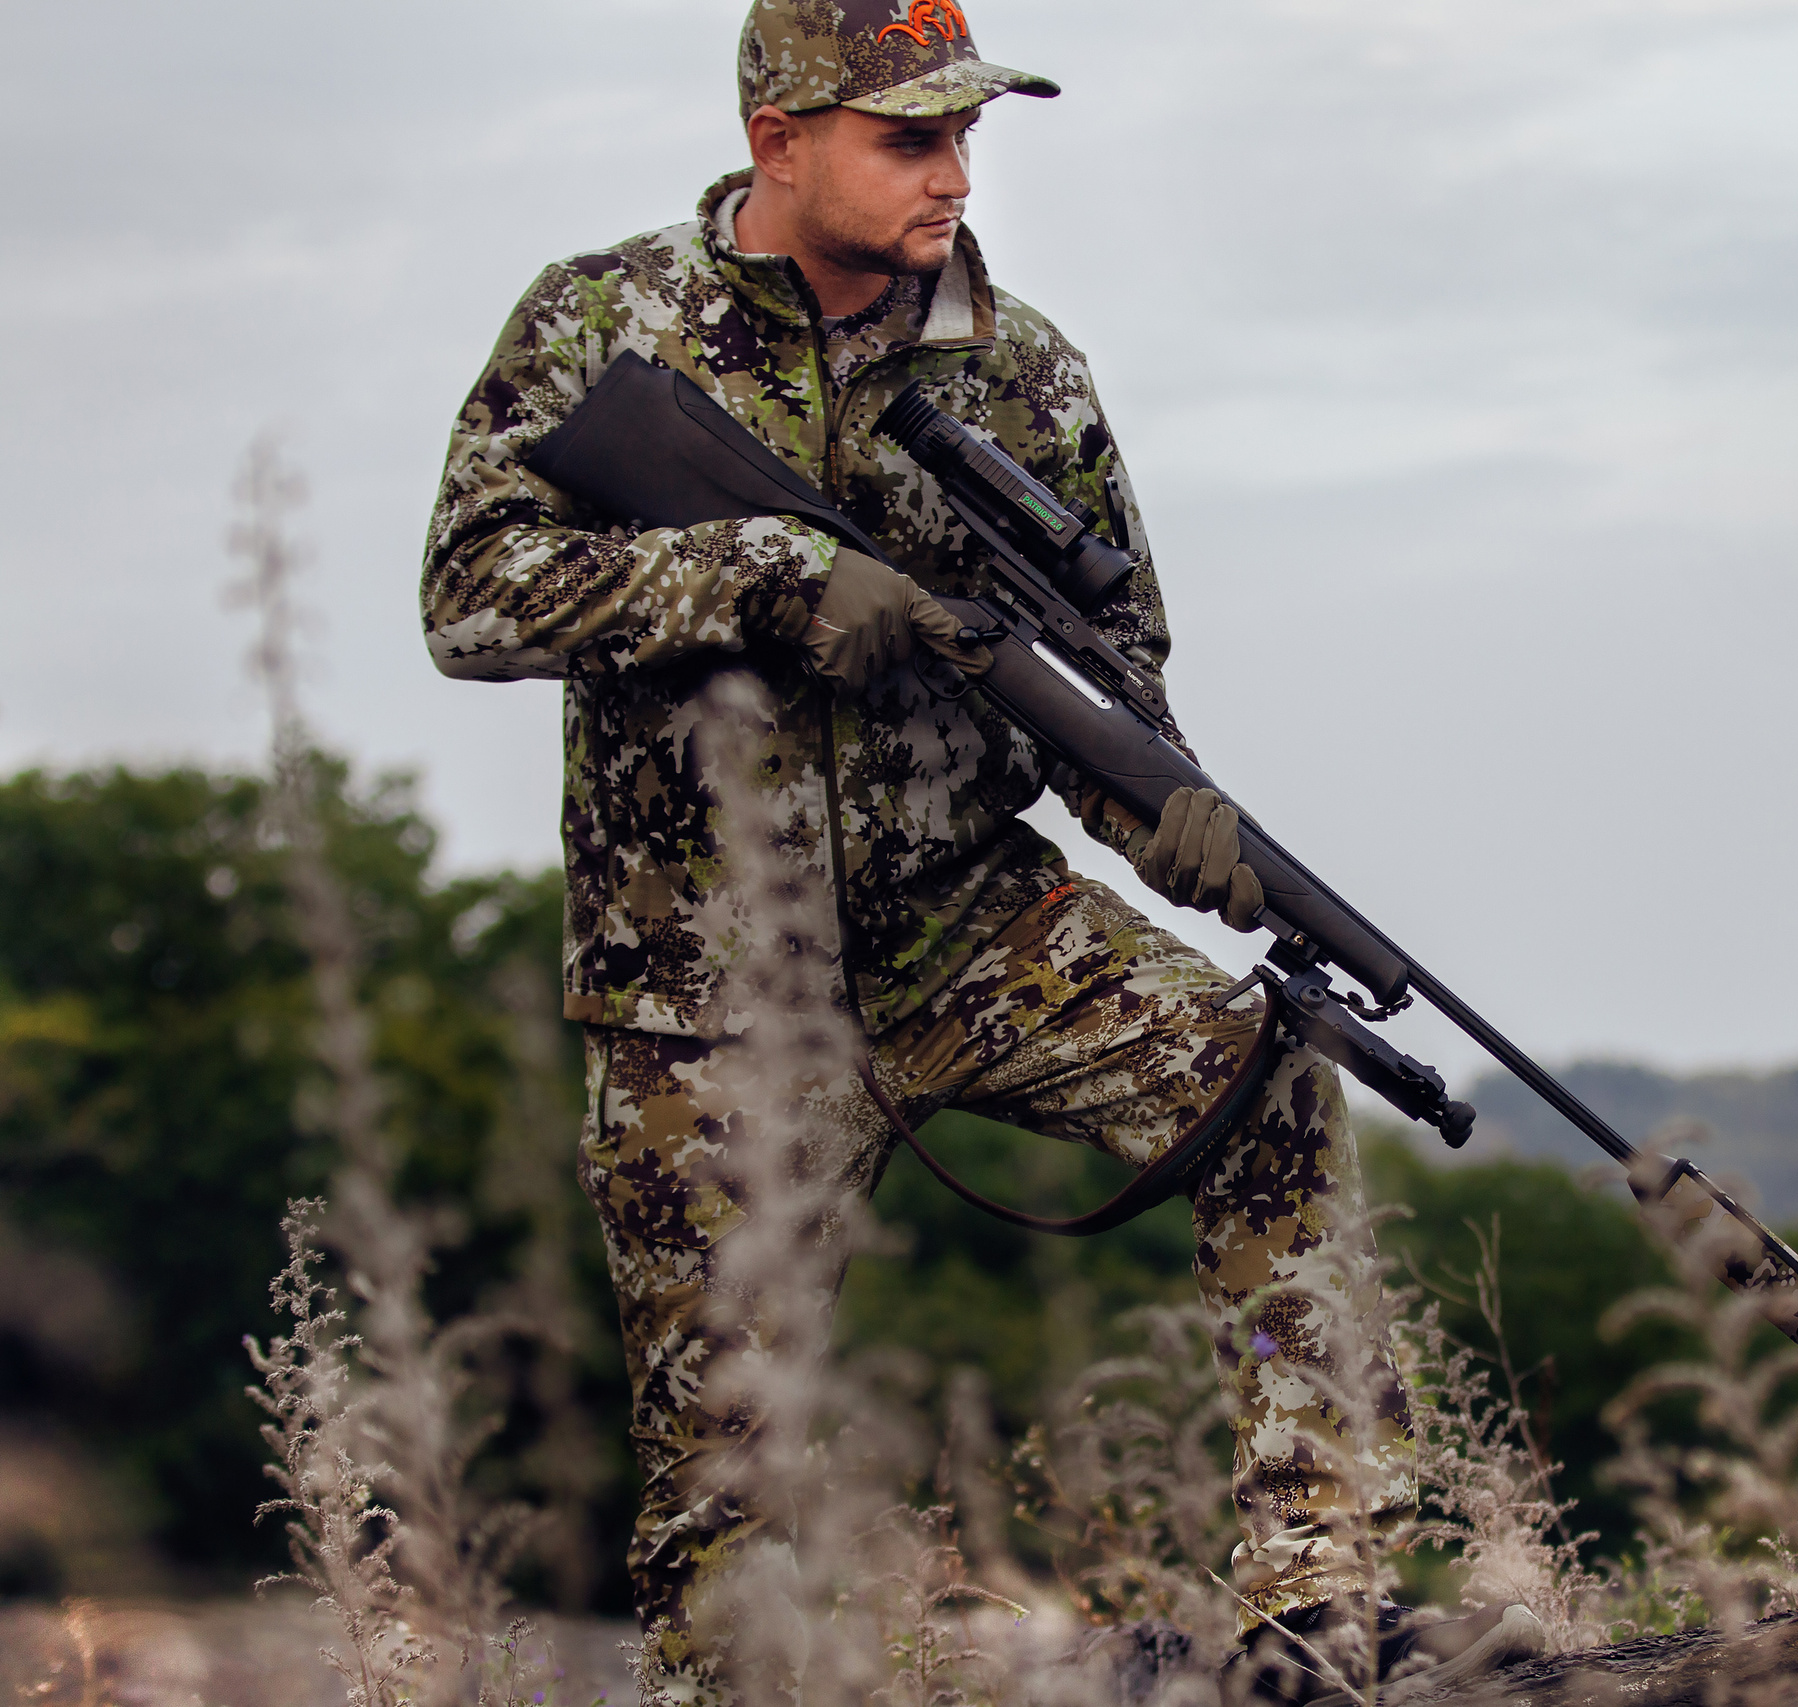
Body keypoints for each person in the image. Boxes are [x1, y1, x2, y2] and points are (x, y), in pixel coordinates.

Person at [421, 3, 1539, 1699]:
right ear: (776, 140)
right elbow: (469, 591)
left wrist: (1168, 817)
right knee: (726, 1496)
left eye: (966, 138)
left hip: (971, 930)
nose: (955, 175)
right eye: (909, 137)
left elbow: (1112, 681)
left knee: (1274, 1087)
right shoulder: (601, 318)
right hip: (701, 997)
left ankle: (1316, 1608)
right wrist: (762, 580)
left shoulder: (1027, 373)